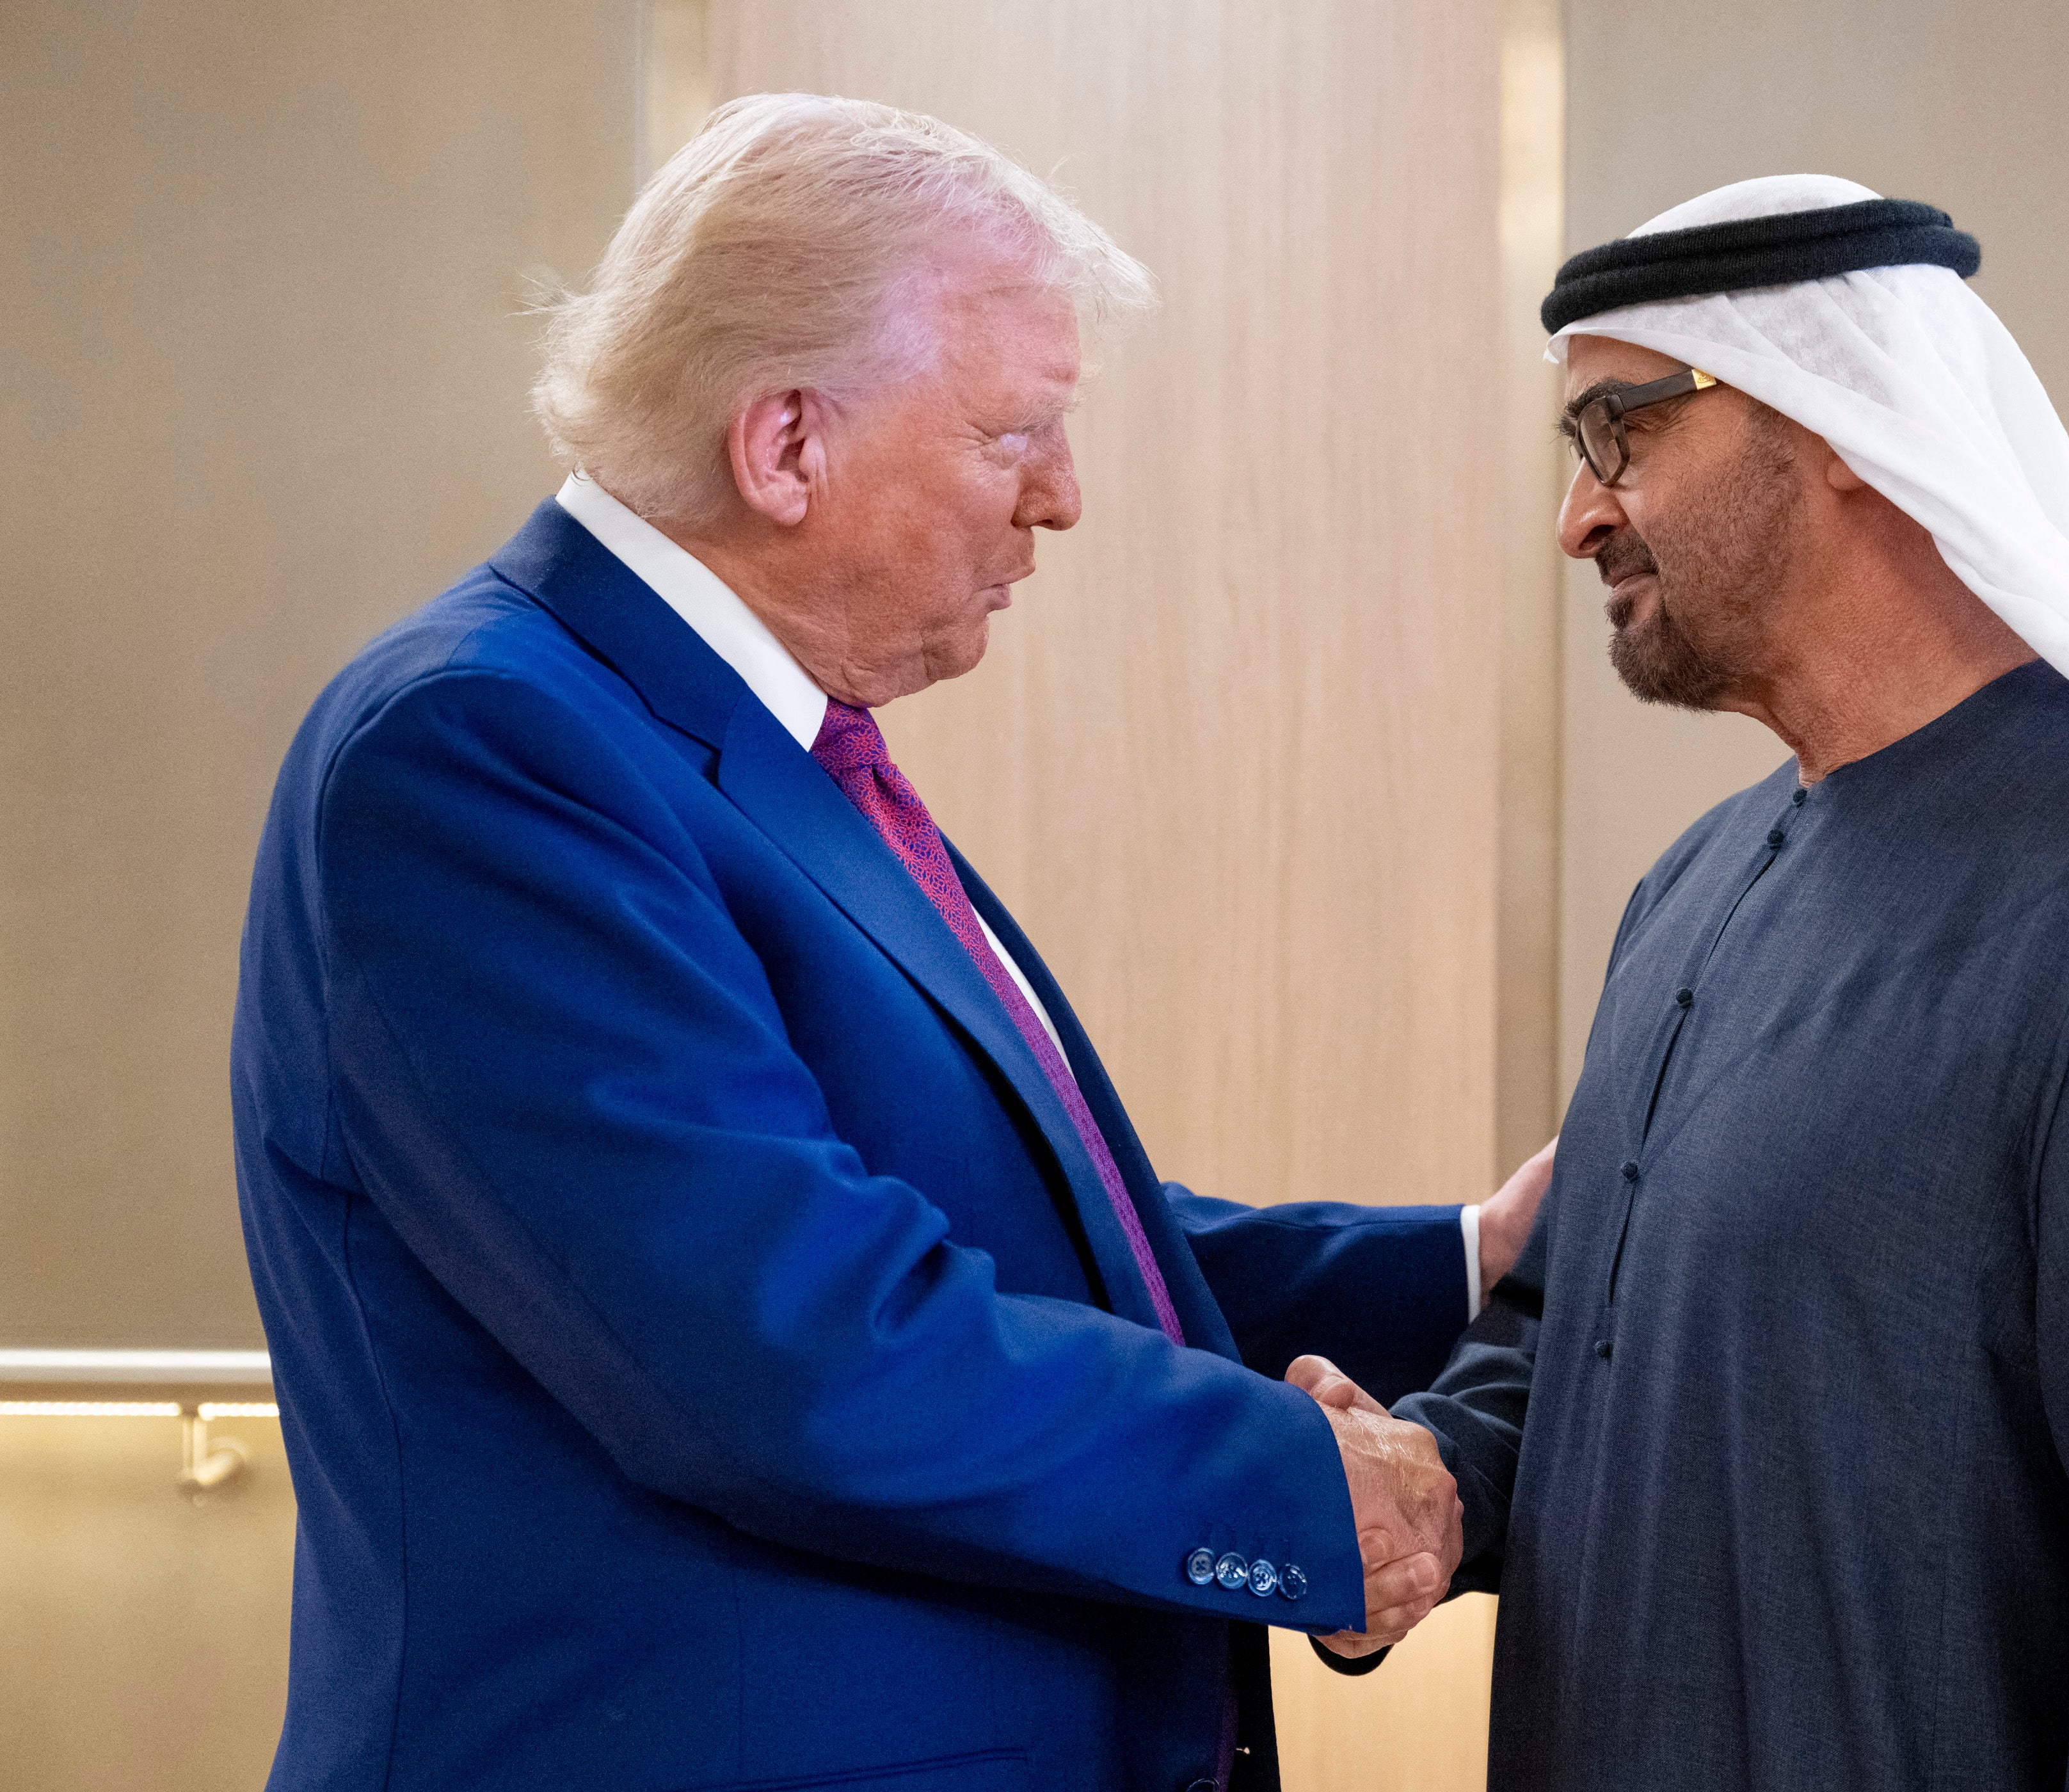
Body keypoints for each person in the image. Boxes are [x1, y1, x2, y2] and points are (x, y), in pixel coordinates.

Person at [230, 93, 1519, 1792]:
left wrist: (1472, 1257)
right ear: (783, 447)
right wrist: (1306, 1488)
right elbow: (793, 1345)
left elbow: (1025, 1245)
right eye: (1015, 434)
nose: (1061, 498)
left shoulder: (745, 746)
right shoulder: (481, 750)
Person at [1314, 179, 2069, 1791]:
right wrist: (1432, 1476)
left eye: (1623, 432)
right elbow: (1584, 1335)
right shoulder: (1692, 889)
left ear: (1838, 427)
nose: (1581, 514)